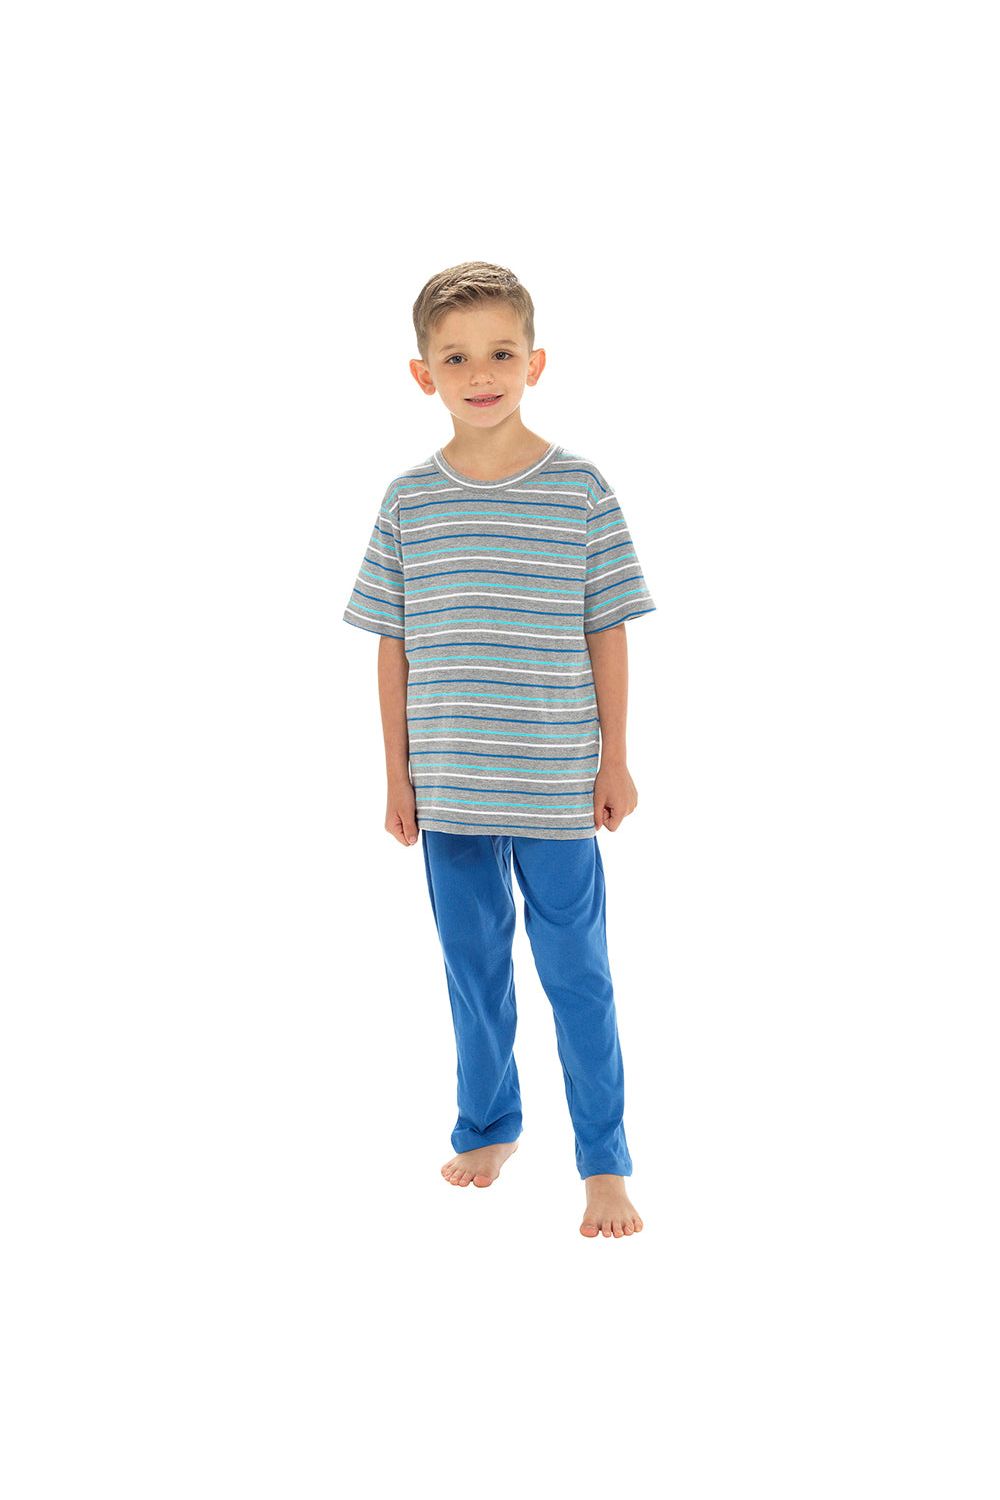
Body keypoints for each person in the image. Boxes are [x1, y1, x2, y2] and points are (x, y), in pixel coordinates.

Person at [342, 262, 656, 1238]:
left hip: (557, 783)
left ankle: (604, 1163)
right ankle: (488, 1125)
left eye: (501, 353)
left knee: (578, 975)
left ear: (535, 362)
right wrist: (396, 777)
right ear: (421, 374)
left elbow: (607, 627)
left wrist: (615, 758)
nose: (480, 374)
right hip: (450, 788)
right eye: (456, 358)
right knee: (471, 970)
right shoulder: (408, 501)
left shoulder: (579, 489)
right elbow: (393, 646)